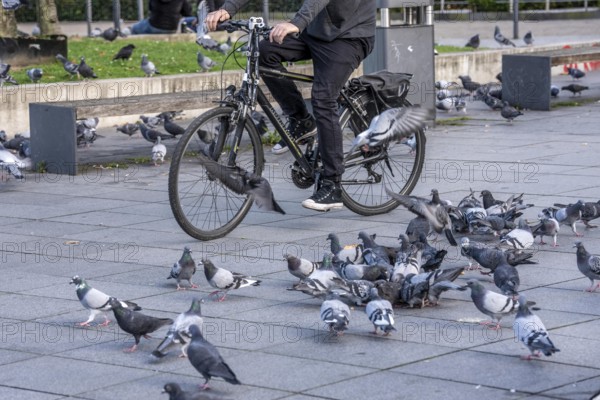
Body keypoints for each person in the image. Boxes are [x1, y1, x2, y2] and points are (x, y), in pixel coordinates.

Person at [205, 1, 376, 212]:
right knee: (264, 53)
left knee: (323, 98)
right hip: (315, 32)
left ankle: (333, 184)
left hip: (349, 36)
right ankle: (301, 121)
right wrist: (227, 9)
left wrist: (297, 22)